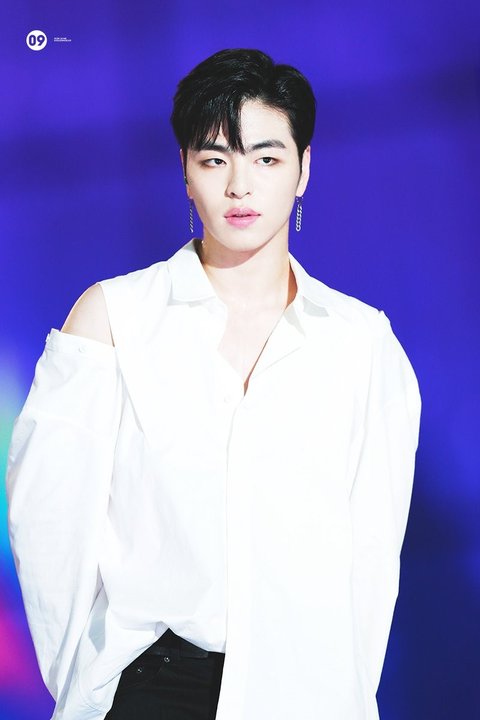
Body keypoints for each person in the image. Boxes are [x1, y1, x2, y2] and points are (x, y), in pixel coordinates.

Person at [6, 49, 421, 720]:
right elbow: (48, 523)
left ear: (303, 169)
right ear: (185, 171)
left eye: (266, 158)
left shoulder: (360, 343)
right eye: (215, 159)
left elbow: (372, 560)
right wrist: (87, 688)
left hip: (304, 693)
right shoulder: (114, 320)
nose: (240, 186)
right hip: (152, 685)